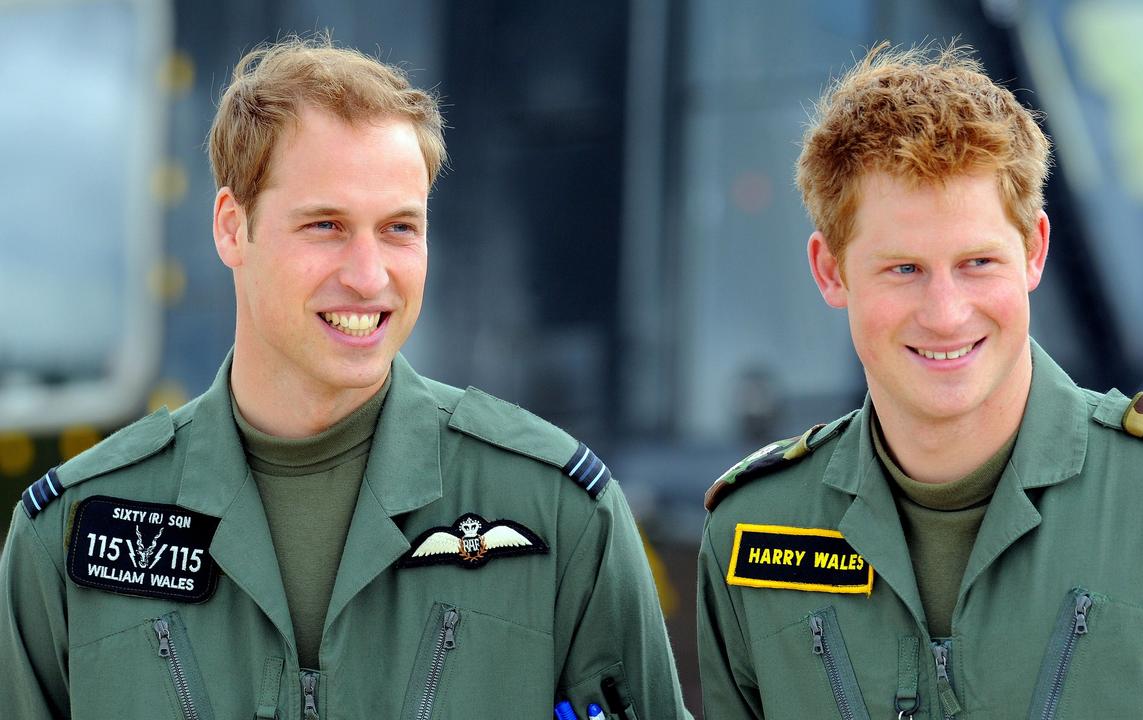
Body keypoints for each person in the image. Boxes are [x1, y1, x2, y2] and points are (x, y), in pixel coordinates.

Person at [0, 36, 687, 719]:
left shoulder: (558, 516)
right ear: (232, 227)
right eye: (326, 225)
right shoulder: (66, 536)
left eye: (398, 229)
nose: (368, 276)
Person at [697, 41, 1143, 719]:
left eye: (977, 262)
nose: (946, 315)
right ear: (831, 272)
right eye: (903, 269)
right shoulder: (751, 531)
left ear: (1034, 249)